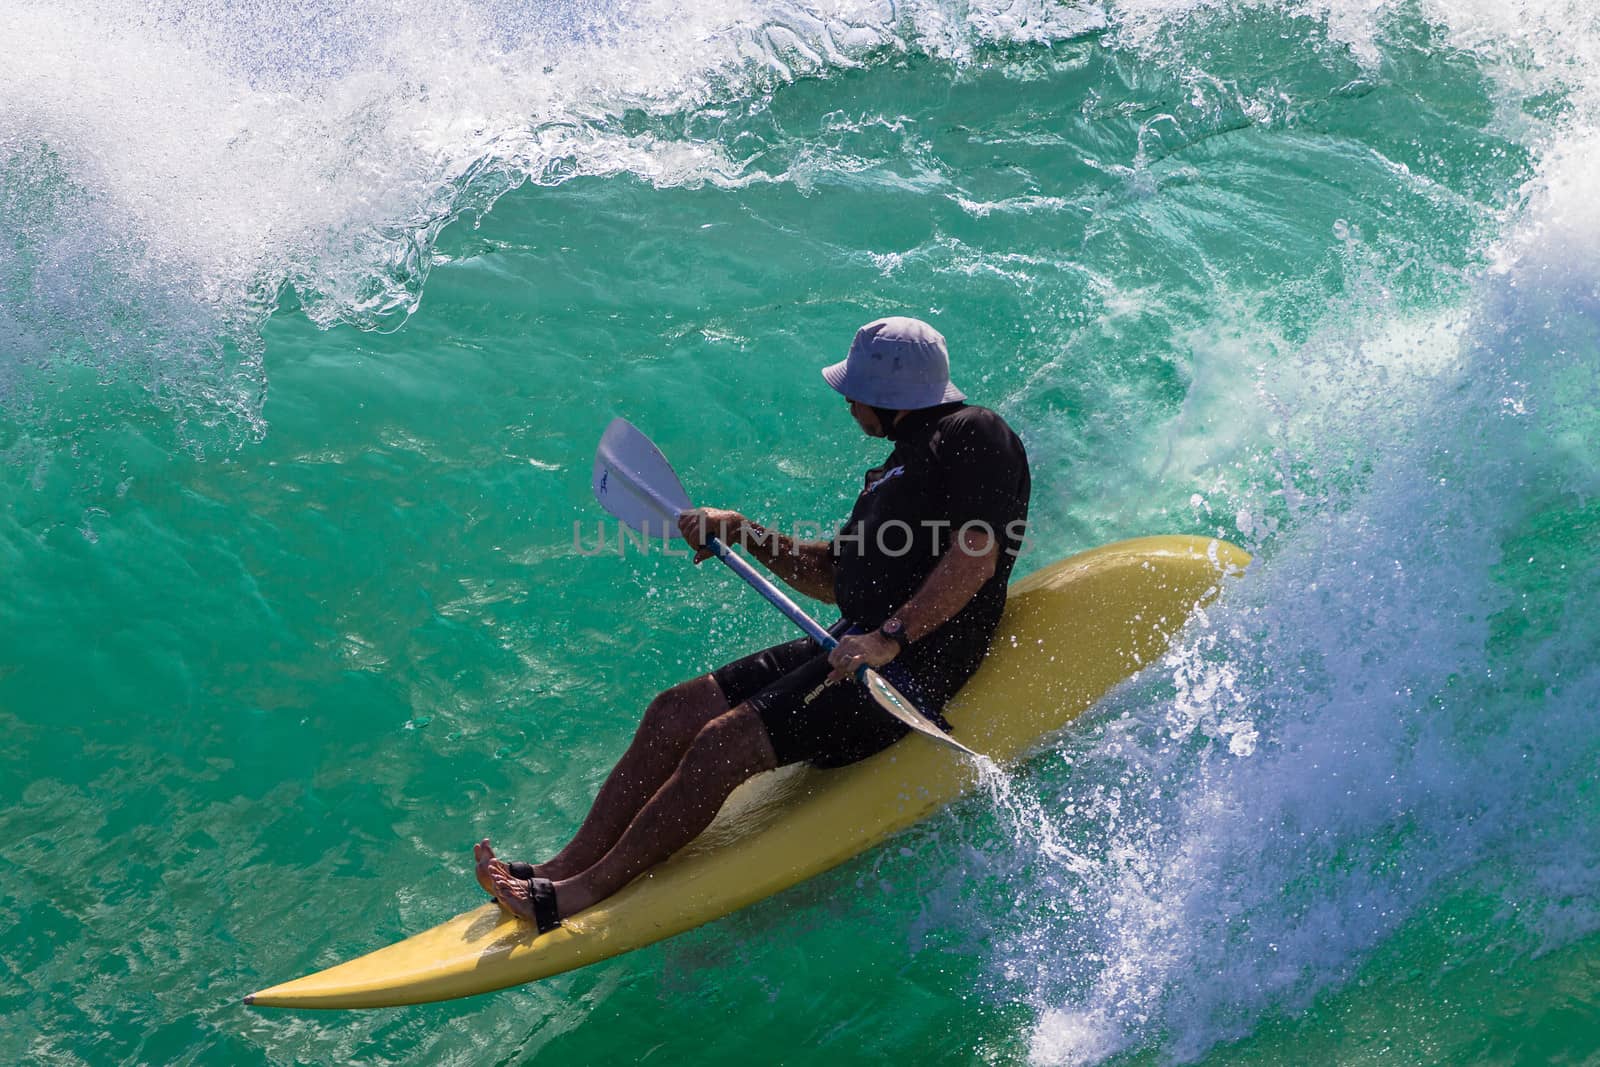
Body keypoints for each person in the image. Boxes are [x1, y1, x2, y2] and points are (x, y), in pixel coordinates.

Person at [476, 316, 1031, 931]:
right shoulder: (892, 472)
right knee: (674, 711)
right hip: (854, 647)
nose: (847, 403)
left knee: (722, 742)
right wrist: (741, 530)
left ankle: (577, 896)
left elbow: (975, 555)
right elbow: (833, 577)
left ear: (887, 394)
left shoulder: (976, 433)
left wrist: (889, 637)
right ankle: (562, 865)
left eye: (854, 392)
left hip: (908, 671)